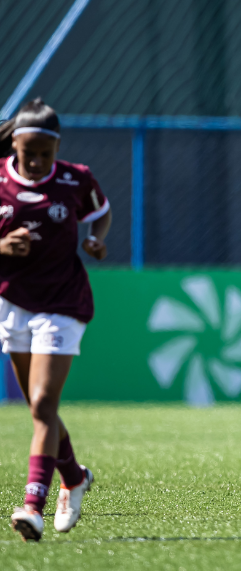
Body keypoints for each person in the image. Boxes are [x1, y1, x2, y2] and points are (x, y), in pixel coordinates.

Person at [0, 99, 111, 541]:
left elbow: (100, 215)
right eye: (30, 154)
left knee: (43, 404)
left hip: (63, 301)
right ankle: (75, 476)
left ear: (57, 147)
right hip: (12, 303)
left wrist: (96, 241)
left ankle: (33, 506)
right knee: (38, 407)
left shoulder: (74, 179)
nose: (38, 162)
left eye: (46, 153)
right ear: (14, 144)